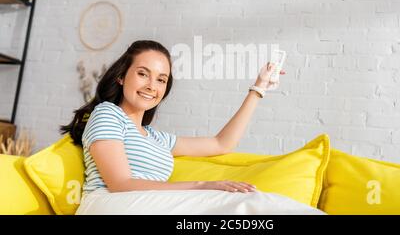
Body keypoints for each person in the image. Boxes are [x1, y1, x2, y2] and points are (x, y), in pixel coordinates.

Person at [60, 40, 285, 199]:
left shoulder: (158, 139)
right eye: (142, 74)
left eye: (161, 79)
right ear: (121, 76)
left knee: (254, 203)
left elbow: (222, 144)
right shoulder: (108, 114)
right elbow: (121, 184)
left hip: (149, 204)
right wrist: (202, 186)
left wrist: (258, 88)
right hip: (113, 204)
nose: (151, 85)